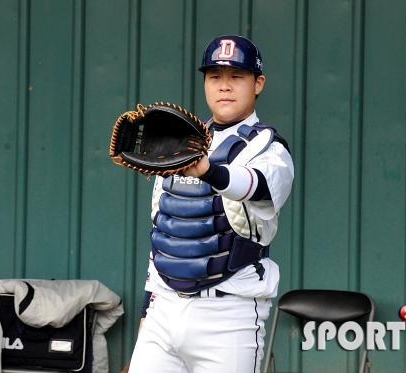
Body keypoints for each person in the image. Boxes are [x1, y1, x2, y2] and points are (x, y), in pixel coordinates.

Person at [125, 35, 294, 373]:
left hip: (229, 315)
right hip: (164, 310)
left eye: (236, 77)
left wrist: (209, 171)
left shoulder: (269, 147)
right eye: (215, 76)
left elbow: (255, 185)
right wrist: (146, 314)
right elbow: (165, 233)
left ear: (258, 83)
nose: (224, 86)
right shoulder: (178, 142)